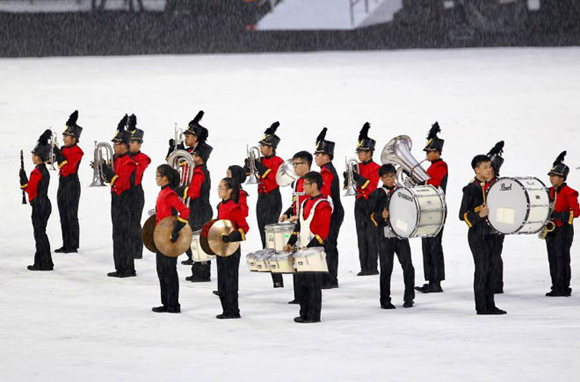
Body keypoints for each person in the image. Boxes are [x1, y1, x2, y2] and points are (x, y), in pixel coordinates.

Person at [459, 154, 506, 315]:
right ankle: (481, 306)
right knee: (482, 268)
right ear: (477, 170)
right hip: (478, 235)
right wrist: (479, 214)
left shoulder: (495, 186)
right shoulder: (471, 189)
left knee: (493, 268)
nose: (489, 169)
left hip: (494, 234)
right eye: (485, 167)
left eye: (490, 166)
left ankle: (491, 304)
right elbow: (462, 215)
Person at [283, 171, 332, 323]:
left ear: (314, 185)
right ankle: (304, 312)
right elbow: (299, 227)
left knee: (313, 285)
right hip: (302, 250)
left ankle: (313, 315)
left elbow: (322, 233)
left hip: (314, 251)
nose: (303, 186)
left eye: (306, 184)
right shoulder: (305, 203)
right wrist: (290, 242)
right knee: (302, 283)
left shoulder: (323, 205)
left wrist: (308, 250)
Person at [245, 121, 285, 288]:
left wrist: (261, 167)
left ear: (272, 148)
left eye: (264, 146)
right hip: (261, 198)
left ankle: (278, 276)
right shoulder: (260, 159)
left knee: (272, 236)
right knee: (263, 234)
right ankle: (271, 271)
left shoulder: (278, 160)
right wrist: (247, 167)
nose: (261, 148)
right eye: (261, 145)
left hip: (272, 198)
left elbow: (275, 179)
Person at [369, 164, 415, 309]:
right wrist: (380, 216)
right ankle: (385, 300)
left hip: (401, 234)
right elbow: (370, 216)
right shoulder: (377, 194)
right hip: (385, 236)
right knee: (386, 268)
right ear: (381, 178)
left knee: (408, 266)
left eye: (392, 176)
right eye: (387, 177)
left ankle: (409, 297)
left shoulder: (401, 192)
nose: (390, 179)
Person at [101, 115, 138, 278]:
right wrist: (102, 169)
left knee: (124, 234)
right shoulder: (117, 158)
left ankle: (127, 268)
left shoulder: (129, 162)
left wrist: (109, 173)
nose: (114, 146)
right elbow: (111, 179)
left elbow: (121, 184)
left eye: (116, 144)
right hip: (116, 200)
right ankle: (121, 266)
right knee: (117, 234)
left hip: (125, 201)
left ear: (124, 145)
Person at [152, 164, 191, 313]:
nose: (156, 179)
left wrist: (176, 230)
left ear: (165, 178)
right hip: (161, 237)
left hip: (169, 239)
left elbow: (185, 212)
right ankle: (166, 302)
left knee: (169, 271)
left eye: (158, 176)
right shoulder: (162, 193)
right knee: (161, 270)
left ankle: (173, 304)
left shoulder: (170, 194)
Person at [416, 122, 448, 293]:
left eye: (429, 152)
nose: (427, 154)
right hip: (429, 208)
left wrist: (418, 179)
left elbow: (433, 184)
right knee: (426, 244)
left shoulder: (441, 166)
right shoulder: (431, 166)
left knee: (434, 245)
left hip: (438, 209)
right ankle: (430, 280)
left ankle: (436, 281)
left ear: (437, 152)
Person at [544, 151, 579, 297]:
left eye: (554, 176)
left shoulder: (570, 193)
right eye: (551, 176)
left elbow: (576, 212)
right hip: (551, 229)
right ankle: (555, 286)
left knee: (562, 258)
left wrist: (558, 215)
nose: (551, 179)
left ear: (562, 177)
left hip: (563, 229)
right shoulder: (548, 191)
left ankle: (564, 287)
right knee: (552, 258)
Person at [348, 122, 380, 276]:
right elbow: (352, 185)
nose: (359, 154)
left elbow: (372, 186)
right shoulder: (358, 166)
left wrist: (358, 178)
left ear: (370, 153)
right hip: (359, 201)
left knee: (371, 235)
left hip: (371, 202)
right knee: (360, 235)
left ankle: (372, 266)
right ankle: (364, 266)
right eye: (359, 152)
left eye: (362, 152)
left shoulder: (376, 167)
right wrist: (347, 178)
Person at [280, 151, 312, 303]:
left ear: (306, 165)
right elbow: (296, 203)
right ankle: (298, 295)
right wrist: (287, 213)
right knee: (295, 259)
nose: (294, 167)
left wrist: (300, 217)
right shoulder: (298, 182)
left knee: (305, 261)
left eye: (297, 164)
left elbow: (314, 203)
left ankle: (307, 296)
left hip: (308, 226)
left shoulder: (313, 181)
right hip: (298, 224)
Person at [216, 177, 250, 319]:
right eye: (218, 187)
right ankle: (225, 309)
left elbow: (245, 227)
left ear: (230, 191)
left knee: (230, 280)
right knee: (222, 281)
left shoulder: (234, 207)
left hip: (232, 247)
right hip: (221, 247)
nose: (219, 190)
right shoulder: (220, 205)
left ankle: (233, 311)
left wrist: (232, 236)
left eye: (221, 188)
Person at [314, 128, 344, 289]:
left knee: (330, 244)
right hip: (332, 211)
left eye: (318, 155)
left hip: (333, 212)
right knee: (327, 244)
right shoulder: (324, 170)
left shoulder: (327, 172)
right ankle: (329, 277)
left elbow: (323, 194)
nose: (315, 158)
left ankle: (331, 278)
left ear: (326, 156)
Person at [20, 130, 53, 271]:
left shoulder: (36, 172)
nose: (32, 157)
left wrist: (23, 181)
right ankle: (44, 261)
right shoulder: (44, 170)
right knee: (41, 233)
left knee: (39, 234)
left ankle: (43, 263)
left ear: (38, 157)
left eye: (33, 155)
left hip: (39, 205)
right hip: (45, 203)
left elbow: (31, 190)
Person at [52, 110, 84, 254]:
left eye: (67, 136)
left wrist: (59, 155)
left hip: (71, 182)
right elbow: (56, 163)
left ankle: (73, 244)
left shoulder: (78, 151)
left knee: (71, 214)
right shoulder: (64, 149)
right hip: (62, 182)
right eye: (64, 135)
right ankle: (66, 243)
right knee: (63, 213)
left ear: (75, 138)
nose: (64, 138)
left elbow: (68, 167)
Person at [184, 141, 213, 282]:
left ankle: (203, 273)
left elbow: (193, 193)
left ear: (200, 157)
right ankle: (197, 270)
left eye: (194, 154)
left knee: (199, 241)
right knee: (195, 241)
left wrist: (181, 190)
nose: (191, 156)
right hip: (197, 209)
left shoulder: (200, 172)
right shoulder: (196, 171)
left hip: (200, 210)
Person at [127, 114, 151, 259]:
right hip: (123, 192)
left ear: (139, 143)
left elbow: (135, 175)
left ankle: (136, 250)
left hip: (135, 192)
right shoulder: (122, 156)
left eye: (132, 142)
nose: (129, 144)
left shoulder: (144, 158)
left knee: (134, 222)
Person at [487, 141, 505, 293]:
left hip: (497, 225)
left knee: (495, 255)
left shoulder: (500, 185)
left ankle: (496, 284)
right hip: (483, 226)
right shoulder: (480, 183)